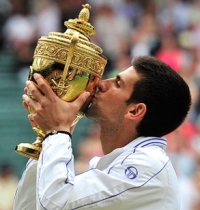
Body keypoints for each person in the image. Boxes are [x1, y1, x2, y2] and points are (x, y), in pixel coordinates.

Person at [13, 55, 191, 210]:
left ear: (135, 111)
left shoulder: (148, 165)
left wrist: (58, 131)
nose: (100, 84)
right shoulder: (111, 164)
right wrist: (46, 139)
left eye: (117, 83)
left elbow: (54, 205)